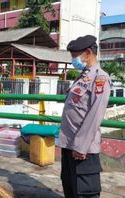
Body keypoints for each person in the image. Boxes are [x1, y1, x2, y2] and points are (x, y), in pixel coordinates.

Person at [59, 35, 112, 198]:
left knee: (85, 193)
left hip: (83, 149)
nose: (73, 60)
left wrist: (81, 146)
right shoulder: (83, 76)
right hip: (69, 145)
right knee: (70, 188)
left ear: (88, 52)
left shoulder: (100, 78)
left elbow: (95, 115)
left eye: (75, 56)